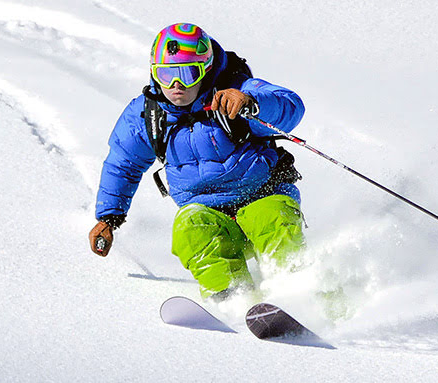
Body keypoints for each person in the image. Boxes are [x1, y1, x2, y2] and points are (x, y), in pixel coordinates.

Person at [88, 23, 306, 299]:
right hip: (206, 210)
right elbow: (123, 163)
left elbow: (291, 106)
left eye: (187, 74)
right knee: (189, 229)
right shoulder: (147, 115)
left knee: (273, 220)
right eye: (166, 75)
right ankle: (233, 298)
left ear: (204, 69)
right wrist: (109, 217)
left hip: (262, 194)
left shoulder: (235, 91)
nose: (176, 85)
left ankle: (299, 291)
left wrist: (252, 102)